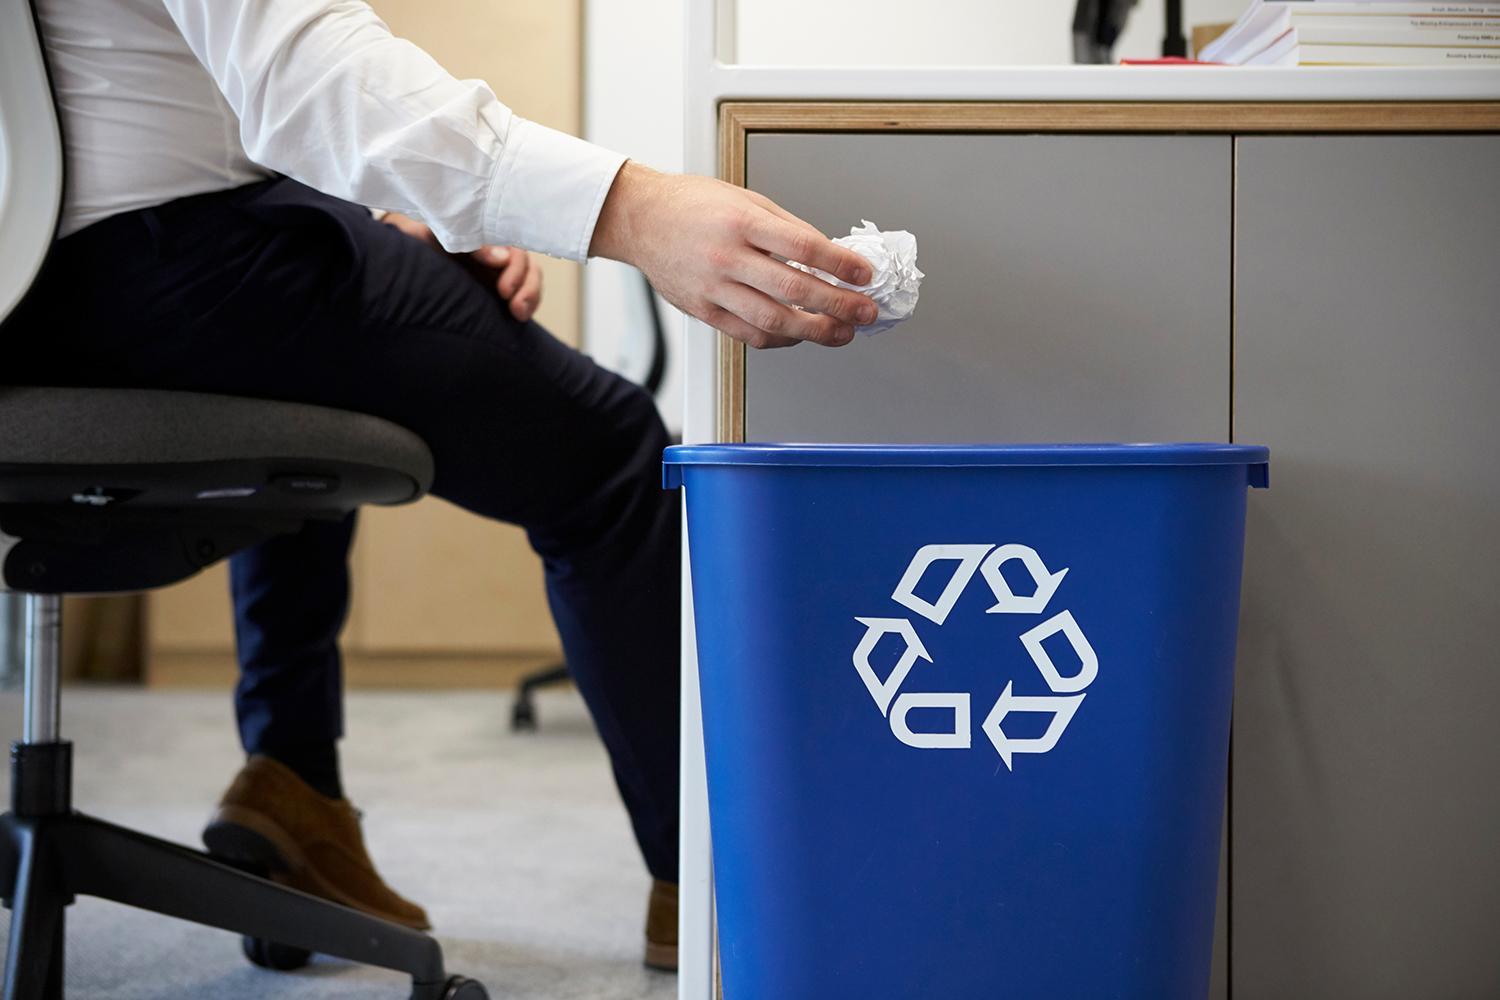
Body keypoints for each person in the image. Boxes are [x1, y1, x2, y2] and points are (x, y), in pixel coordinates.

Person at [17, 0, 879, 973]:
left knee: (312, 354)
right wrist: (632, 209)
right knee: (610, 453)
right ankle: (710, 884)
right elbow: (310, 78)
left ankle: (294, 784)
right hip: (163, 268)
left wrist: (396, 206)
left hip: (26, 297)